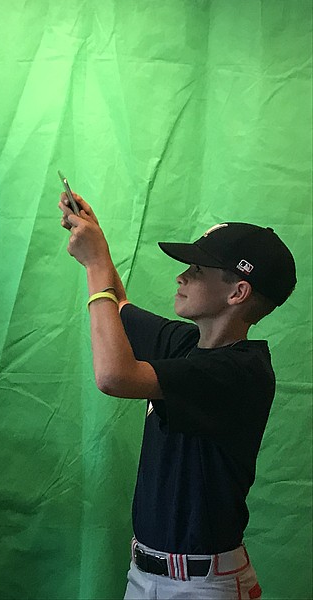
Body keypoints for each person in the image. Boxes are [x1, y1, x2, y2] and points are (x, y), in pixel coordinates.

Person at [58, 192, 296, 599]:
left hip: (204, 586)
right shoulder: (187, 344)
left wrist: (96, 263)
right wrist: (97, 242)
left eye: (197, 270)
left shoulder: (240, 373)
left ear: (237, 292)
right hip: (146, 573)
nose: (181, 276)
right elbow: (119, 306)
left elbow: (114, 377)